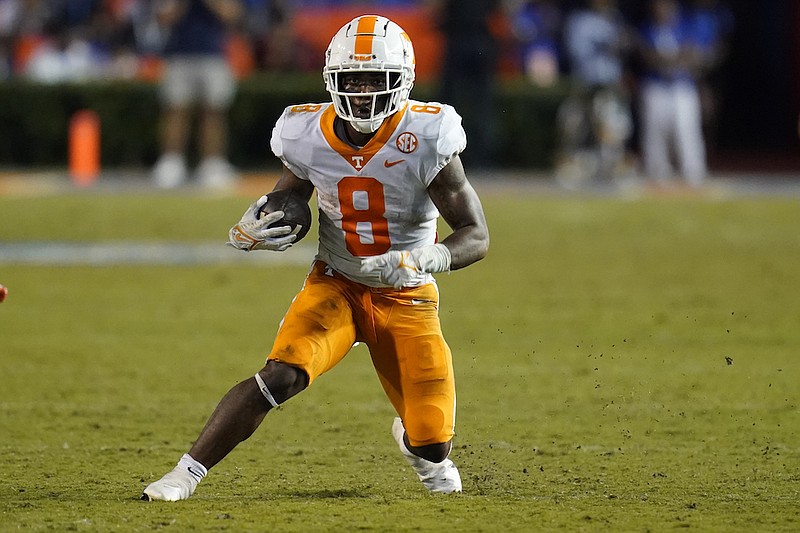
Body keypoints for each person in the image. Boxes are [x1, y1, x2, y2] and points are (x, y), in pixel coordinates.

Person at [141, 14, 490, 501]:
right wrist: (265, 219)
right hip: (338, 283)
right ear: (332, 80)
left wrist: (423, 260)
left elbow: (476, 235)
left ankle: (421, 450)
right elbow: (292, 197)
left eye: (376, 79)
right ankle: (183, 476)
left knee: (432, 442)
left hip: (406, 296)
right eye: (352, 80)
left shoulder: (428, 134)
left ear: (403, 81)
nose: (363, 91)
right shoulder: (306, 132)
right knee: (280, 376)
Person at [150, 0, 243, 189]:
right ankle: (171, 163)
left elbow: (232, 14)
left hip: (213, 54)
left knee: (214, 112)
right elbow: (163, 17)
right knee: (176, 110)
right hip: (178, 53)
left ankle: (212, 164)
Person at [555, 0, 634, 189]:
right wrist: (607, 44)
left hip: (609, 85)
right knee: (573, 127)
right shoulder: (580, 20)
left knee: (613, 130)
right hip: (586, 85)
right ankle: (576, 173)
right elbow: (577, 51)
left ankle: (611, 174)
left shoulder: (615, 20)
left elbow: (623, 50)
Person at [636, 0, 707, 187]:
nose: (663, 10)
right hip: (656, 86)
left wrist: (668, 60)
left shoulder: (685, 26)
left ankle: (693, 172)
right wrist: (673, 60)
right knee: (655, 131)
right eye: (659, 6)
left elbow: (692, 54)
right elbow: (648, 57)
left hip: (682, 86)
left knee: (686, 129)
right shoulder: (647, 29)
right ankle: (656, 172)